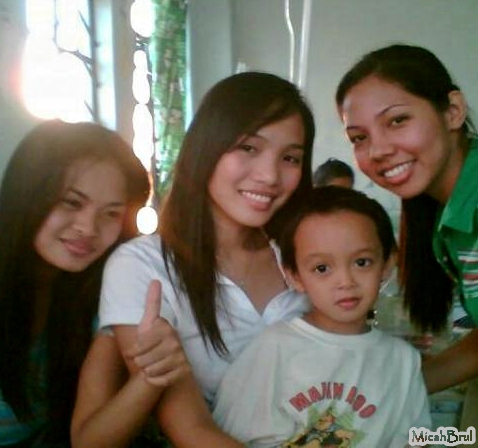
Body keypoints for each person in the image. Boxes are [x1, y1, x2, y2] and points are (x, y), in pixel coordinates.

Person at [71, 71, 315, 447]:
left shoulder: (303, 254)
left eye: (290, 158)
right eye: (249, 148)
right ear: (207, 147)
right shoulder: (144, 266)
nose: (269, 176)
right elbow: (191, 431)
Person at [0, 120, 187, 447]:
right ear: (27, 194)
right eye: (71, 202)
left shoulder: (106, 294)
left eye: (111, 213)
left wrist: (151, 372)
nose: (88, 228)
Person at [213, 186, 430, 447]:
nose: (345, 282)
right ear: (294, 276)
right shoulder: (274, 350)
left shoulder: (403, 361)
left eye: (362, 262)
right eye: (322, 268)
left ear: (387, 263)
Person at [335, 43, 478, 393]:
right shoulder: (445, 217)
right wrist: (393, 393)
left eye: (397, 120)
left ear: (453, 111)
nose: (378, 150)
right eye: (359, 138)